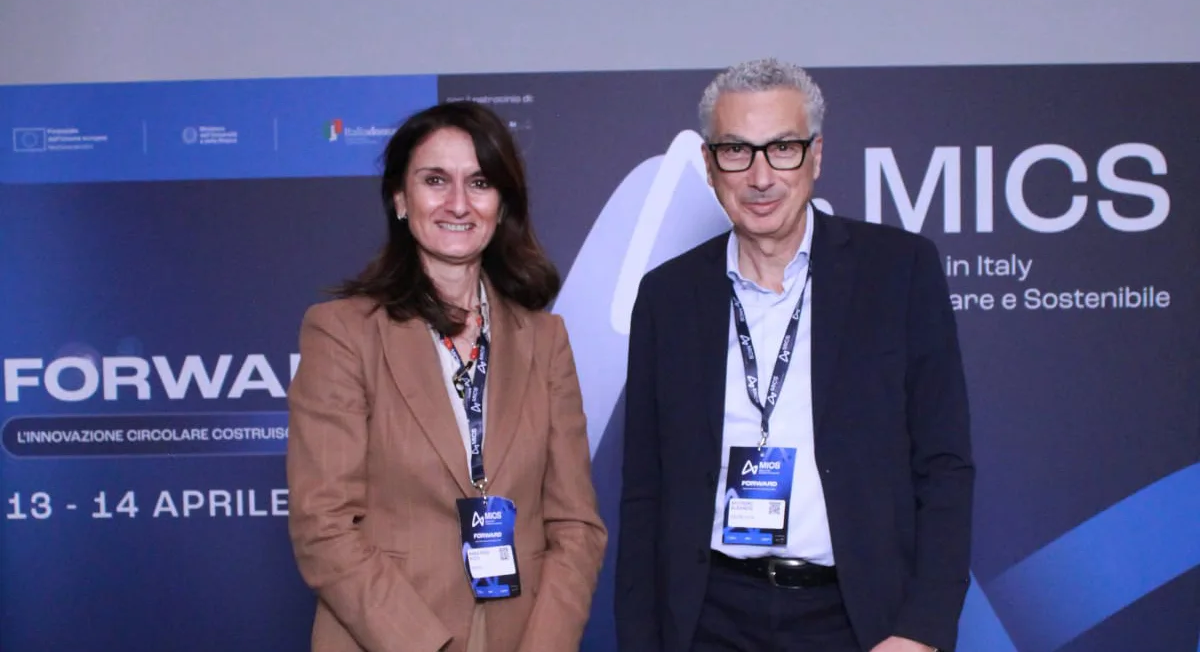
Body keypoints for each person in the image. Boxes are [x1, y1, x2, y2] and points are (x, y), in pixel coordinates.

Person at [615, 58, 974, 652]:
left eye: (782, 147)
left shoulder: (900, 272)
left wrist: (924, 628)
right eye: (736, 151)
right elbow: (644, 492)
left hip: (858, 620)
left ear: (817, 156)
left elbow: (945, 466)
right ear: (709, 165)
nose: (760, 176)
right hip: (709, 618)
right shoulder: (667, 296)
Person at [286, 100, 607, 652]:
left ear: (501, 203)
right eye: (435, 180)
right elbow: (324, 525)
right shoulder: (342, 332)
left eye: (479, 182)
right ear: (399, 198)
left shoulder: (545, 339)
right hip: (389, 638)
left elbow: (576, 526)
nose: (458, 203)